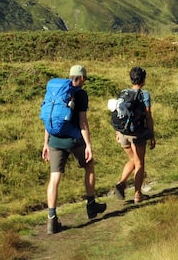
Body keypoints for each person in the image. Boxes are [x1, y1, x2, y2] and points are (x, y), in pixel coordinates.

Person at [42, 64, 106, 234]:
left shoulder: (56, 92)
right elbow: (83, 122)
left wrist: (46, 144)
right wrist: (89, 146)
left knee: (54, 179)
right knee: (89, 165)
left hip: (55, 139)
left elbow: (49, 119)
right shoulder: (81, 94)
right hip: (74, 139)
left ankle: (51, 219)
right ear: (82, 78)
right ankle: (91, 205)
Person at [112, 66, 156, 204]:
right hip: (137, 133)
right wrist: (152, 134)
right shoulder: (144, 95)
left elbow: (118, 113)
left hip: (122, 132)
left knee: (133, 160)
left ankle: (121, 184)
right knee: (139, 162)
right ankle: (137, 194)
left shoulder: (123, 93)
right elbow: (148, 116)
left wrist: (117, 132)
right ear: (143, 80)